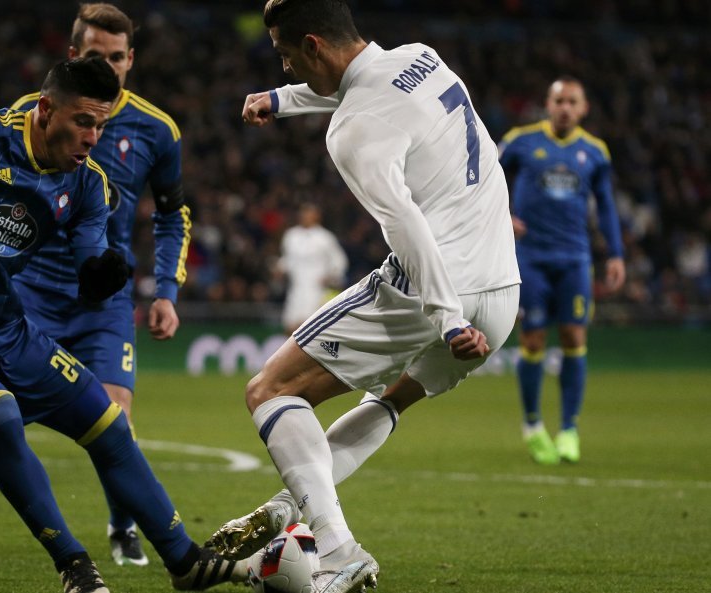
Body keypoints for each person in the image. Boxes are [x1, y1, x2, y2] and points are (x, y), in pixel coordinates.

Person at [0, 57, 242, 593]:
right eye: (83, 121)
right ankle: (73, 564)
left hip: (3, 324)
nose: (92, 137)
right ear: (46, 108)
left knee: (108, 425)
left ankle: (185, 562)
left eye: (100, 125)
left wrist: (99, 273)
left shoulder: (85, 186)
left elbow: (90, 255)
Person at [205, 2, 520, 592]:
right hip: (502, 290)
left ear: (314, 46)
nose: (289, 68)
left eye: (288, 57)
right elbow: (371, 93)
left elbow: (403, 217)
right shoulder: (422, 60)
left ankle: (339, 550)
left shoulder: (350, 134)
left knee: (270, 390)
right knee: (391, 403)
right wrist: (282, 98)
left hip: (435, 286)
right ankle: (289, 505)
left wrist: (446, 315)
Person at [0, 3, 191, 568]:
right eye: (98, 57)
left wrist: (166, 286)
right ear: (73, 58)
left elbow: (172, 213)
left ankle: (124, 528)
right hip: (25, 289)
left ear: (131, 60)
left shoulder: (158, 131)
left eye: (119, 59)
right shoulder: (25, 118)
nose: (111, 69)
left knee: (110, 416)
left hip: (100, 293)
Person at [499, 77, 624, 465]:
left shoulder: (595, 152)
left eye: (572, 101)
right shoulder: (521, 140)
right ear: (547, 104)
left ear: (583, 108)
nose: (565, 107)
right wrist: (501, 215)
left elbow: (605, 205)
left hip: (574, 257)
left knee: (573, 335)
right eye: (559, 100)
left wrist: (616, 254)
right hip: (530, 257)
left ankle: (569, 428)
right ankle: (533, 425)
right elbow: (483, 178)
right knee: (533, 339)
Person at [278, 203, 347, 334]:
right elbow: (288, 259)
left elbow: (339, 261)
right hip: (296, 289)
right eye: (303, 212)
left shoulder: (325, 237)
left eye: (309, 213)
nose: (304, 216)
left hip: (316, 290)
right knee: (289, 327)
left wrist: (330, 276)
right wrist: (280, 269)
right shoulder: (291, 235)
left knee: (309, 329)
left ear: (317, 216)